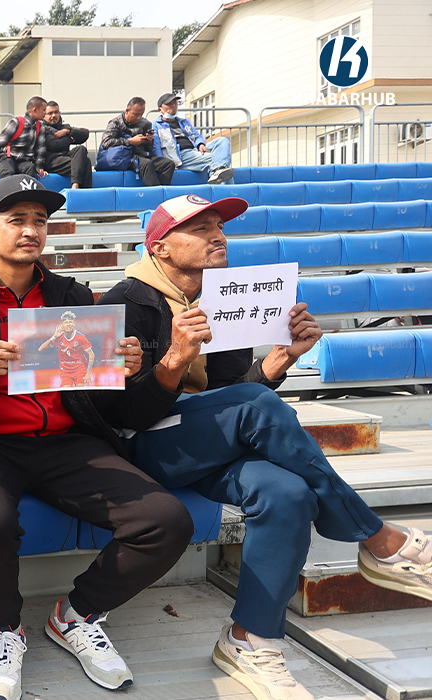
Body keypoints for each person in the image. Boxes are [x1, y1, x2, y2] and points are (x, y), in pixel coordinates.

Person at [99, 194, 432, 700]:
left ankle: (249, 639)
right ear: (160, 247)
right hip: (143, 447)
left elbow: (228, 394)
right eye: (200, 228)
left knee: (286, 493)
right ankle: (376, 536)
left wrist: (277, 363)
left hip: (203, 439)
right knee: (256, 404)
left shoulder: (225, 295)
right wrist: (174, 360)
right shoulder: (123, 302)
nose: (217, 235)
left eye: (219, 226)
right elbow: (122, 415)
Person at [0, 175, 194, 700]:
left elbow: (101, 399)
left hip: (66, 441)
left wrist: (125, 369)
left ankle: (76, 615)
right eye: (16, 220)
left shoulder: (73, 296)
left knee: (166, 521)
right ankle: (5, 628)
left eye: (40, 221)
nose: (31, 230)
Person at [153, 94, 234, 185]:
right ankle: (226, 187)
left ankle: (217, 172)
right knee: (218, 162)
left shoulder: (183, 122)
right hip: (180, 155)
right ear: (160, 109)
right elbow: (156, 148)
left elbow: (196, 135)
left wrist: (200, 144)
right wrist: (165, 164)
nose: (173, 105)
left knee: (222, 141)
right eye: (169, 104)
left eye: (175, 102)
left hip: (195, 150)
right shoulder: (156, 125)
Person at [98, 97, 174, 186]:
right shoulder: (115, 123)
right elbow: (106, 142)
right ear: (127, 111)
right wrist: (130, 141)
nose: (138, 117)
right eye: (136, 114)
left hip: (141, 156)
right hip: (124, 157)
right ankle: (156, 192)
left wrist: (149, 140)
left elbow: (149, 149)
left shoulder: (145, 123)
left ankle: (162, 190)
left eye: (141, 114)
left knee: (168, 164)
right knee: (146, 164)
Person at [0, 96, 48, 181]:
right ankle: (7, 189)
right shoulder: (16, 122)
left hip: (24, 160)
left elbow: (40, 149)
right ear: (34, 110)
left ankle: (26, 189)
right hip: (8, 157)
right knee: (7, 171)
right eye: (43, 110)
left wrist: (39, 166)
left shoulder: (40, 126)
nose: (45, 113)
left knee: (30, 168)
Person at [41, 101, 93, 189]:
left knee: (81, 149)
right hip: (51, 160)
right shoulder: (42, 128)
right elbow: (54, 144)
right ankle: (78, 188)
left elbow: (85, 134)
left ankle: (79, 188)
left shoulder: (65, 128)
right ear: (44, 115)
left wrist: (67, 131)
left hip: (65, 157)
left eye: (56, 112)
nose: (53, 115)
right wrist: (69, 138)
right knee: (85, 162)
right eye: (50, 113)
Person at [36, 311, 94, 387]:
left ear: (74, 324)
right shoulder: (59, 337)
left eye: (70, 322)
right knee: (65, 390)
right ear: (62, 325)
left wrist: (88, 373)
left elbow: (91, 354)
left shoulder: (80, 337)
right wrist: (54, 336)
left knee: (79, 390)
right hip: (66, 371)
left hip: (80, 369)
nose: (68, 324)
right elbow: (40, 349)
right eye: (66, 322)